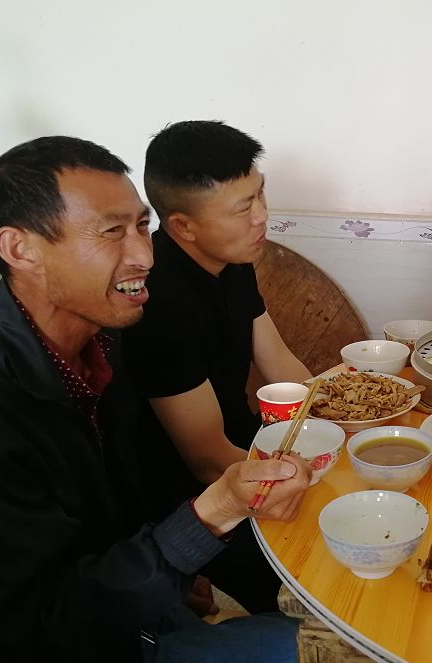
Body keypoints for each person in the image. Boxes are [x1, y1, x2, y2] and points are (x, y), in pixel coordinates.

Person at [0, 135, 310, 661]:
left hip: (136, 590)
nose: (144, 255)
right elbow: (41, 623)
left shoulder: (103, 341)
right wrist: (207, 520)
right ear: (20, 249)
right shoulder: (3, 403)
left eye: (142, 225)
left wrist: (173, 568)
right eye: (111, 232)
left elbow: (121, 495)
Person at [120, 121, 312, 613]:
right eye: (243, 208)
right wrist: (311, 479)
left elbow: (282, 365)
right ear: (183, 225)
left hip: (245, 444)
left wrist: (344, 420)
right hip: (188, 497)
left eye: (260, 194)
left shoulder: (234, 262)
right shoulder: (157, 302)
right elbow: (206, 460)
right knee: (305, 582)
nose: (262, 217)